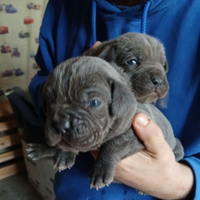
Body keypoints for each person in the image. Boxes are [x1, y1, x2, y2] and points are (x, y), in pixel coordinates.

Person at [29, 0, 200, 199]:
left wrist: (178, 183)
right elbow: (42, 79)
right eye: (133, 62)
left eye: (163, 67)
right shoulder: (62, 6)